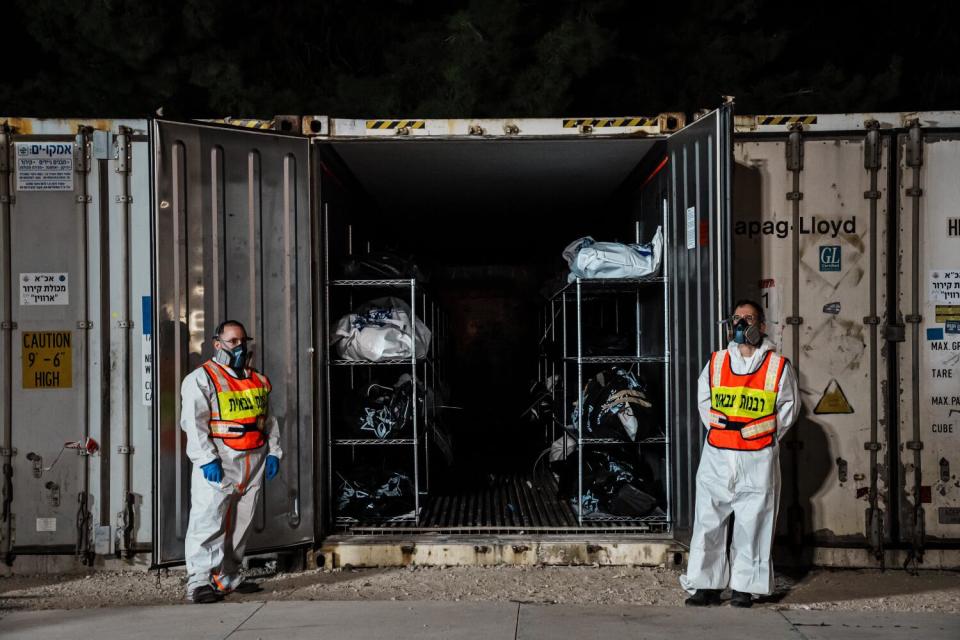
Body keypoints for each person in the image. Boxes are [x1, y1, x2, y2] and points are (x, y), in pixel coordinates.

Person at [679, 300, 800, 607]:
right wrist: (726, 431)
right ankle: (706, 586)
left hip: (756, 459)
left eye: (748, 319)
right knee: (708, 522)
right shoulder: (717, 362)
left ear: (761, 326)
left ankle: (745, 587)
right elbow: (704, 401)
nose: (740, 324)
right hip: (718, 457)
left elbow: (788, 408)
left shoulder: (777, 366)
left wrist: (763, 437)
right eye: (736, 318)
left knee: (753, 524)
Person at [180, 320, 283, 604]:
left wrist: (274, 451)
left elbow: (268, 418)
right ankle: (199, 581)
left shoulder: (256, 379)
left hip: (254, 459)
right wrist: (205, 460)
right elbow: (194, 424)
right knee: (208, 519)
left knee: (242, 523)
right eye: (233, 341)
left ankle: (228, 576)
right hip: (221, 461)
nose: (240, 347)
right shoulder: (201, 379)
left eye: (243, 341)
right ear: (217, 344)